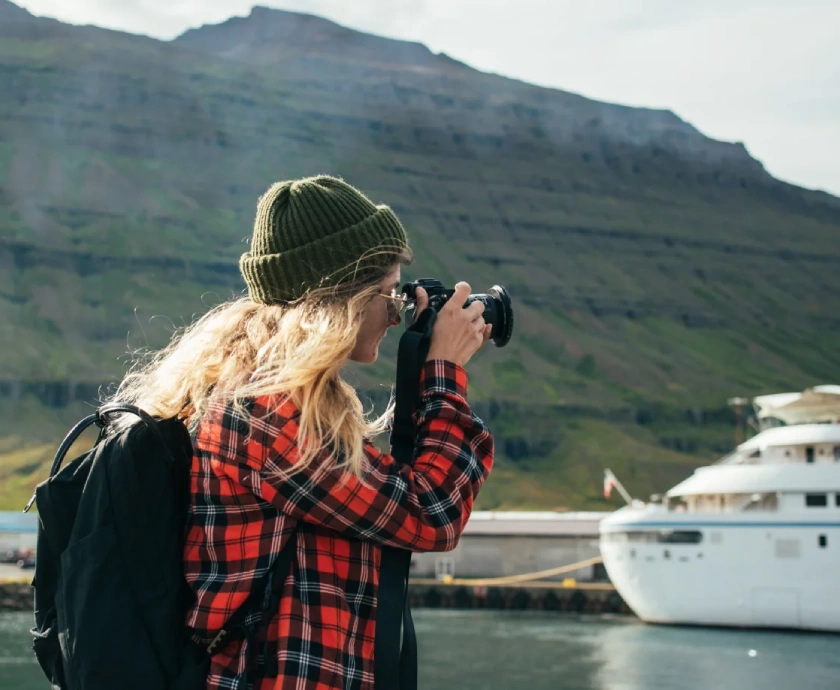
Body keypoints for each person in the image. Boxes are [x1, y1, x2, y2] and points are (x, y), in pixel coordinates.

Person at [112, 175, 495, 689]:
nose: (396, 315)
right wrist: (444, 371)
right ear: (342, 297)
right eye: (389, 294)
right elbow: (432, 513)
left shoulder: (262, 398)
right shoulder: (265, 415)